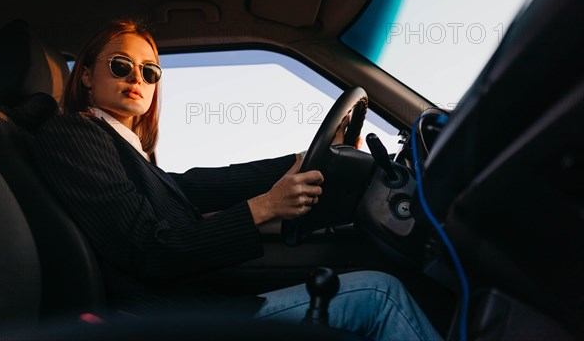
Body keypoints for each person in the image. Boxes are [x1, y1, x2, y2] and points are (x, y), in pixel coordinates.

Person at [34, 19, 442, 340]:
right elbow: (147, 249)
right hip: (178, 317)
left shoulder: (124, 146)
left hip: (199, 301)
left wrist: (300, 161)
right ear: (86, 75)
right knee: (380, 294)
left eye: (150, 71)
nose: (137, 79)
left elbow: (195, 185)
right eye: (121, 65)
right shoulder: (75, 134)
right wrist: (264, 207)